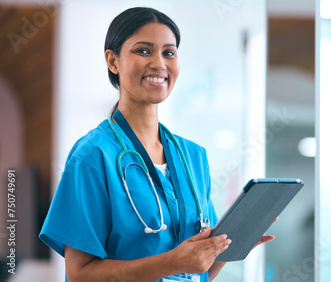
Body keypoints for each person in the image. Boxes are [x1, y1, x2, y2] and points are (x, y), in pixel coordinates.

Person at [39, 7, 274, 282]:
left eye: (169, 53)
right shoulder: (93, 156)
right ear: (113, 61)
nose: (159, 64)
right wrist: (171, 262)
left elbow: (197, 272)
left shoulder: (193, 157)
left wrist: (235, 243)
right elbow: (79, 275)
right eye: (143, 51)